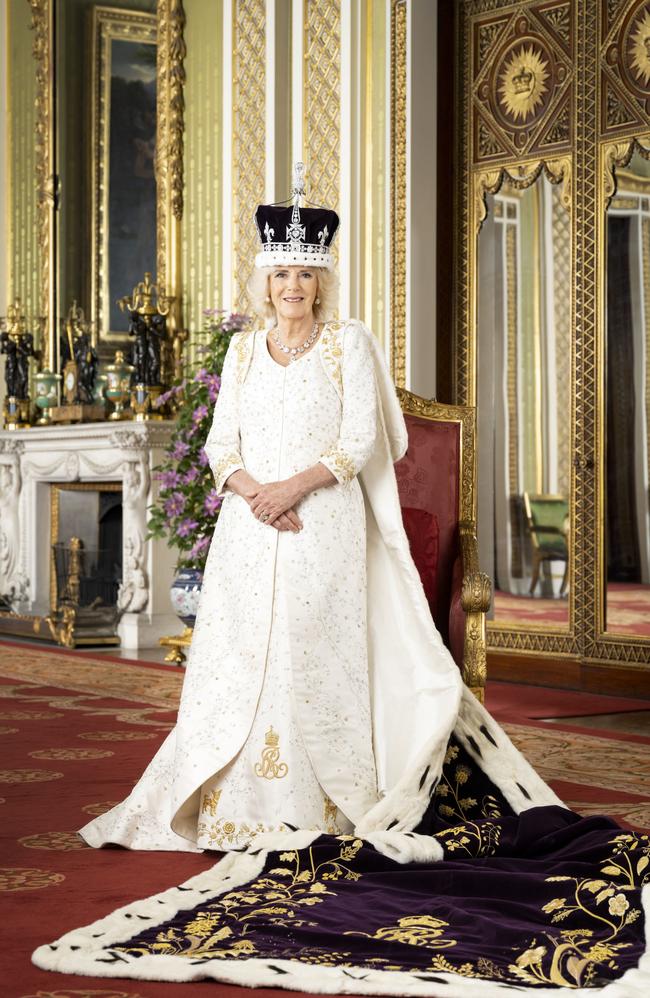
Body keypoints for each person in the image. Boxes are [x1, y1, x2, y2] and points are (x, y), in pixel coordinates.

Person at [79, 173, 558, 855]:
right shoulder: (243, 352)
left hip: (323, 523)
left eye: (305, 273)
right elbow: (220, 445)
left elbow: (360, 441)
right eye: (281, 274)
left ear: (321, 282)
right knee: (249, 658)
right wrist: (255, 492)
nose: (292, 286)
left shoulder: (348, 345)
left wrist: (291, 489)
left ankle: (323, 805)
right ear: (265, 283)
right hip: (249, 531)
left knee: (310, 652)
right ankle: (232, 808)